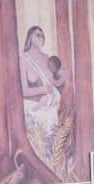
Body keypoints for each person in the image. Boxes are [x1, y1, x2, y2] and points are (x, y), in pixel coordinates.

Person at [19, 26, 60, 166]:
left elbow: (54, 84)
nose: (40, 38)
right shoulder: (23, 59)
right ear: (30, 36)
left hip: (50, 102)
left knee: (50, 116)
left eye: (42, 36)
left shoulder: (48, 59)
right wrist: (43, 89)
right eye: (37, 34)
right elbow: (23, 92)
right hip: (32, 105)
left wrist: (49, 91)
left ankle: (50, 160)